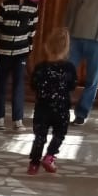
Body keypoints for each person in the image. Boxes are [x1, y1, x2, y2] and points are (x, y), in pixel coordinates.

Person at [0, 0, 40, 131]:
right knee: (1, 85)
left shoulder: (33, 7)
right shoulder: (5, 5)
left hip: (21, 54)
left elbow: (32, 31)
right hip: (3, 53)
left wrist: (28, 49)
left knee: (18, 86)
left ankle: (18, 120)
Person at [27, 27, 77, 176]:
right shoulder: (69, 68)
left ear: (47, 46)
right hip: (61, 108)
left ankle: (33, 165)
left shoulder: (40, 67)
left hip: (42, 108)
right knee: (59, 133)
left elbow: (33, 85)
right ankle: (49, 157)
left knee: (39, 136)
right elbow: (72, 86)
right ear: (66, 48)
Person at [64, 0, 98, 124]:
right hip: (75, 37)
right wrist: (66, 31)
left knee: (92, 80)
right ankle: (61, 109)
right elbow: (71, 8)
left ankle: (81, 114)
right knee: (67, 75)